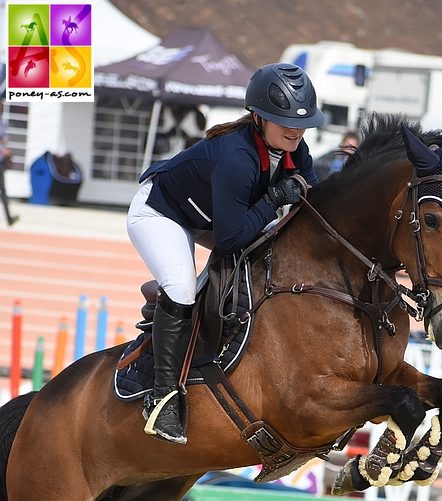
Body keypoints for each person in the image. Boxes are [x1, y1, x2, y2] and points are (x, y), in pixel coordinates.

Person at [127, 63, 325, 445]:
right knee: (182, 288)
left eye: (301, 122)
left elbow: (316, 202)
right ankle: (162, 397)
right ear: (258, 118)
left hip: (216, 218)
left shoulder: (294, 150)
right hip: (161, 213)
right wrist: (272, 200)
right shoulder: (237, 158)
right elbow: (231, 240)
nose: (296, 130)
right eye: (282, 120)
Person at [0, 103, 18, 227]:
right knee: (3, 190)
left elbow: (4, 139)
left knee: (4, 190)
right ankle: (9, 218)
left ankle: (9, 218)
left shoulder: (2, 122)